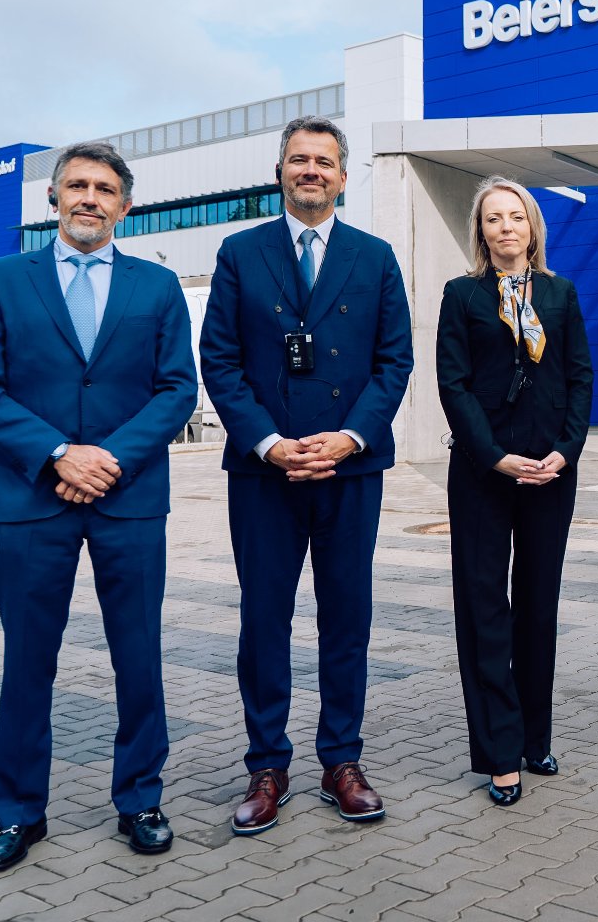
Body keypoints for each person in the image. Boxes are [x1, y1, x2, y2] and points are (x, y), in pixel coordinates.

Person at [0, 141, 196, 873]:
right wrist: (61, 452)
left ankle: (141, 799)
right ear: (54, 199)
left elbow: (177, 389)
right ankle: (18, 812)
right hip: (32, 497)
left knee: (138, 657)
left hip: (128, 499)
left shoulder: (156, 288)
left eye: (104, 188)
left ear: (125, 204)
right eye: (77, 186)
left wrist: (108, 458)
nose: (89, 198)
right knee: (28, 660)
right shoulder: (3, 279)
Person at [199, 115, 413, 836]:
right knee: (265, 619)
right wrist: (267, 441)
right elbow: (220, 361)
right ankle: (268, 763)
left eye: (324, 161)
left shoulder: (376, 257)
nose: (311, 170)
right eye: (299, 160)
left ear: (344, 176)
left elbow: (394, 363)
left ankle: (341, 760)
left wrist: (350, 437)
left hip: (350, 468)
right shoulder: (239, 253)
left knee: (346, 618)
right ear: (281, 172)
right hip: (266, 473)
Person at [437, 176, 593, 807]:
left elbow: (581, 377)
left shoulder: (561, 293)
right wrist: (496, 456)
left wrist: (567, 449)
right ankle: (500, 752)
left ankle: (533, 735)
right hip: (483, 471)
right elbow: (455, 385)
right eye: (493, 218)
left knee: (537, 605)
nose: (506, 227)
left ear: (532, 227)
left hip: (551, 470)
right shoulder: (462, 295)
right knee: (483, 609)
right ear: (481, 230)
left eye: (516, 216)